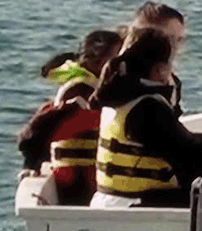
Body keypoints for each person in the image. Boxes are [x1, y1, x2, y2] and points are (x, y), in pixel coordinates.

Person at [89, 27, 202, 209]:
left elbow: (176, 144)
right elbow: (190, 155)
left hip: (111, 201)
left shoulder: (116, 99)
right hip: (137, 204)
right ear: (159, 69)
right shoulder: (147, 107)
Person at [17, 29, 123, 204]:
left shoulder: (97, 88)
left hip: (95, 177)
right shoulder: (78, 92)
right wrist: (31, 165)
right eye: (116, 60)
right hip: (77, 182)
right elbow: (38, 132)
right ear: (97, 63)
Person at [119, 1, 186, 116]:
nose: (174, 46)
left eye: (178, 39)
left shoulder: (172, 82)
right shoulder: (121, 78)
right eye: (168, 38)